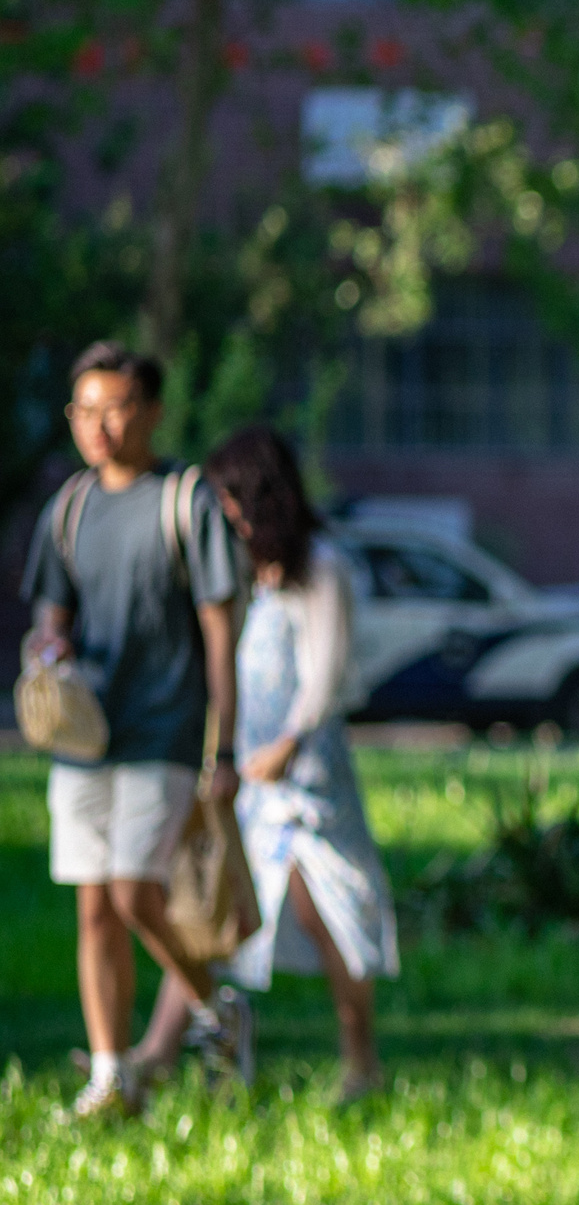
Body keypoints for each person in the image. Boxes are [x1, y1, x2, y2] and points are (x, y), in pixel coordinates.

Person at [21, 341, 252, 1119]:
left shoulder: (186, 500)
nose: (100, 426)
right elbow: (51, 615)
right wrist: (47, 649)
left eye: (116, 408)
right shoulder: (71, 507)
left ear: (151, 410)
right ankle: (113, 1072)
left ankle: (214, 1008)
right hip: (87, 737)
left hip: (167, 729)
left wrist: (226, 744)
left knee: (134, 893)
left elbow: (222, 633)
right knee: (94, 905)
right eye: (85, 411)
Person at [201, 426, 399, 1105]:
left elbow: (326, 674)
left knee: (328, 913)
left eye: (233, 495)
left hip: (308, 783)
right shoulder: (253, 578)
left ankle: (361, 1061)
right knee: (223, 917)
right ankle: (207, 1058)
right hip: (255, 783)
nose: (226, 512)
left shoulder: (323, 569)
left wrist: (287, 743)